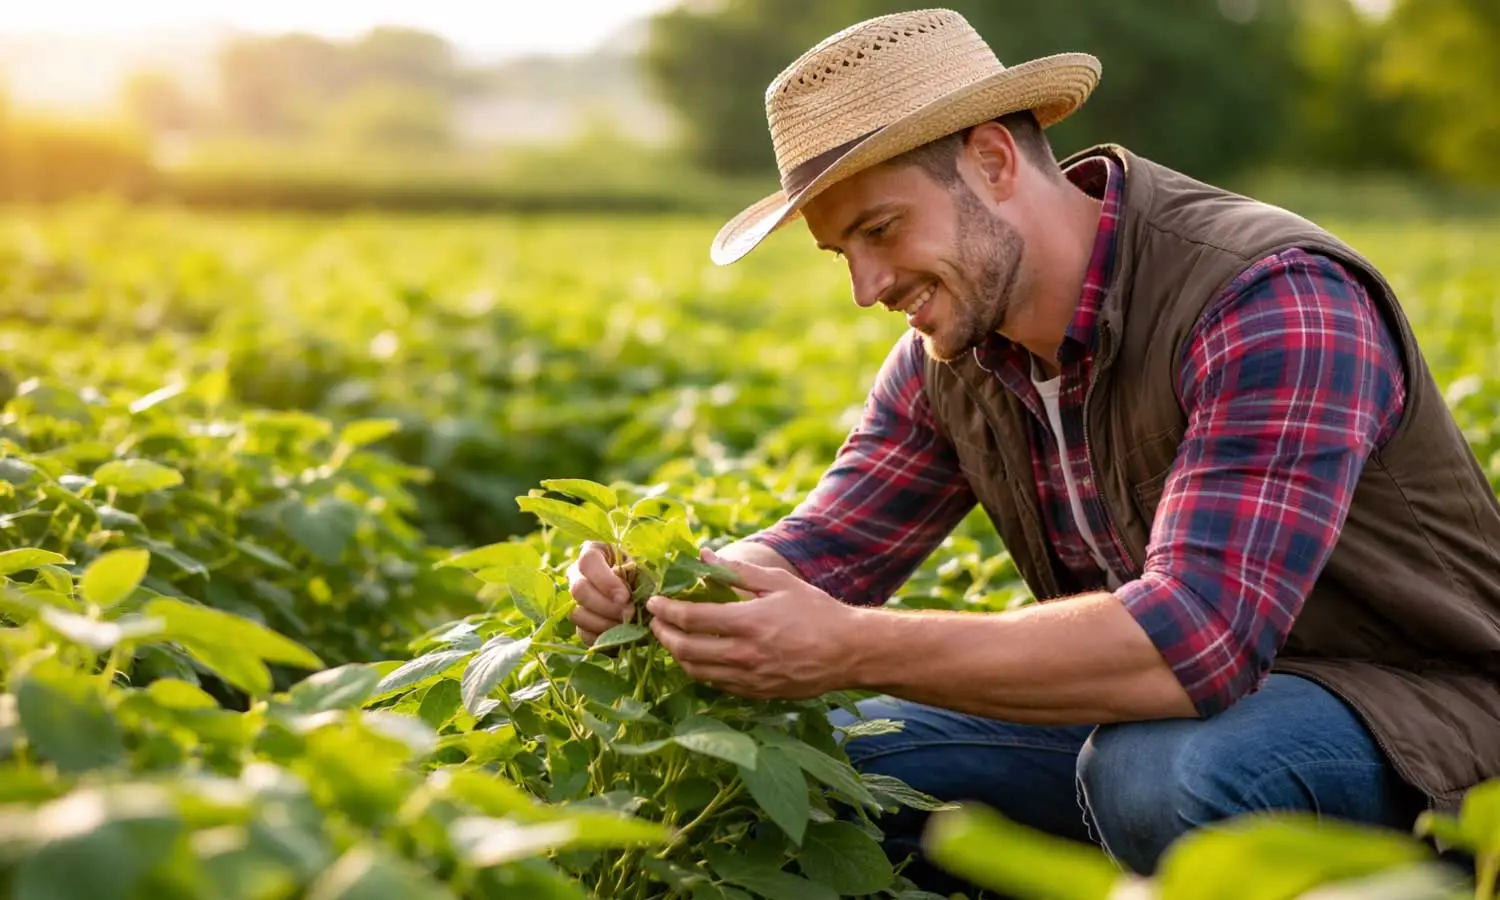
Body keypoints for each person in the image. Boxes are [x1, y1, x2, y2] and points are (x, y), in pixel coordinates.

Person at [567, 7, 1500, 892]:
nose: (866, 286)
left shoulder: (1267, 297)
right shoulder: (955, 355)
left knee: (1159, 771)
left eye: (880, 230)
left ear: (992, 159)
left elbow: (1193, 644)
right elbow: (829, 549)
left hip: (1423, 724)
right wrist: (666, 587)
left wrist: (849, 646)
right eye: (839, 251)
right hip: (1163, 713)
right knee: (840, 753)